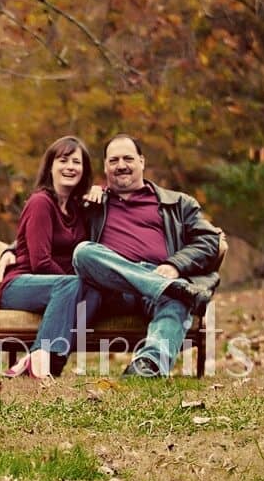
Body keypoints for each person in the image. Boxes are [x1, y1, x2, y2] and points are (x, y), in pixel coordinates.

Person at [71, 134, 222, 378]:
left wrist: (174, 265)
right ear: (105, 166)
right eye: (114, 160)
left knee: (175, 300)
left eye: (128, 158)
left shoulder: (179, 203)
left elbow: (208, 240)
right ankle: (168, 288)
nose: (121, 165)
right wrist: (12, 251)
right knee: (83, 252)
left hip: (161, 277)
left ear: (142, 161)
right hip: (112, 290)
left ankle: (148, 366)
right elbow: (50, 229)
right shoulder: (91, 203)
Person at [0, 136, 101, 378]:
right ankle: (41, 360)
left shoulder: (76, 208)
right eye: (63, 160)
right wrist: (75, 287)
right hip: (19, 285)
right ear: (50, 166)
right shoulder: (40, 203)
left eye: (77, 162)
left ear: (84, 170)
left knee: (94, 294)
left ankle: (47, 363)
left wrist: (100, 190)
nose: (70, 167)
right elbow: (40, 262)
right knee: (74, 285)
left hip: (58, 286)